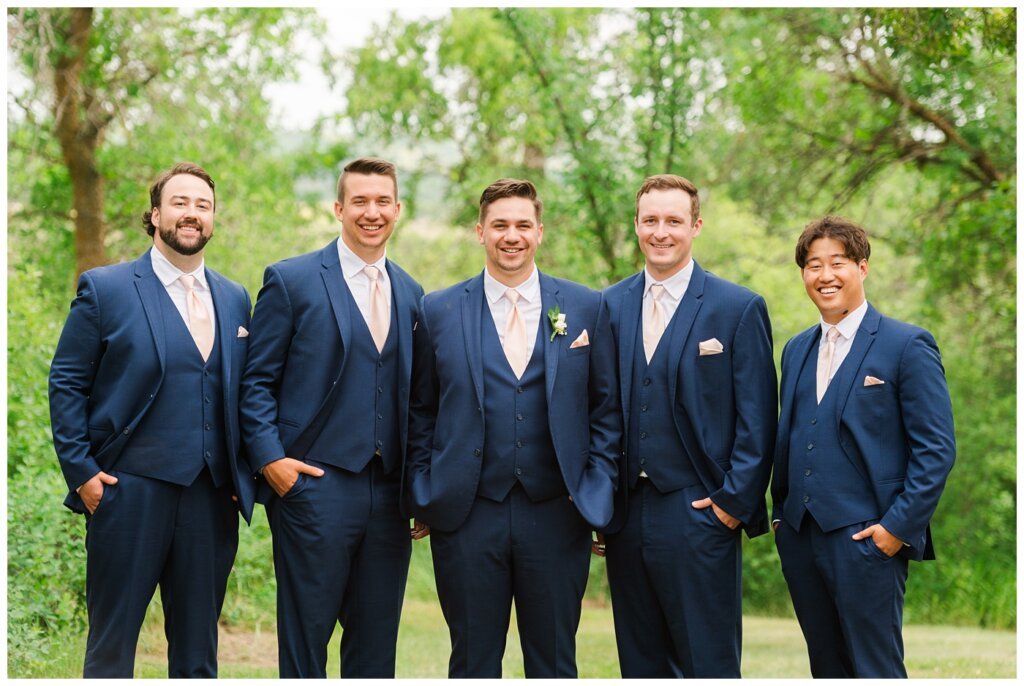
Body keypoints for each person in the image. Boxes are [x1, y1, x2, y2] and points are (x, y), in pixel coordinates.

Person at [406, 178, 621, 677]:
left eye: (523, 225)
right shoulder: (437, 310)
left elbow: (605, 409)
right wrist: (423, 488)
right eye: (499, 225)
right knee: (473, 661)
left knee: (553, 663)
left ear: (540, 232)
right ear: (479, 232)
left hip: (556, 515)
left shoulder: (586, 306)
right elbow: (421, 409)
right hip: (466, 515)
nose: (511, 236)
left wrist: (597, 490)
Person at [48, 162, 254, 677]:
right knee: (112, 648)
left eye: (202, 205)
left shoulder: (235, 298)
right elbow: (67, 382)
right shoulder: (106, 288)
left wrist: (243, 472)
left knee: (197, 653)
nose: (192, 214)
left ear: (213, 218)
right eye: (180, 202)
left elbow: (248, 391)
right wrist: (83, 474)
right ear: (156, 213)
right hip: (126, 491)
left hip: (210, 499)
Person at [239, 157, 424, 678]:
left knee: (374, 649)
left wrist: (421, 485)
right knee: (305, 644)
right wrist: (273, 462)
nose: (372, 212)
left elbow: (417, 400)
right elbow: (255, 383)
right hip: (312, 487)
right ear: (338, 208)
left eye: (382, 201)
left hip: (389, 498)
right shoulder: (291, 280)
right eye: (360, 201)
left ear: (398, 209)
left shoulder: (412, 293)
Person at [600, 174, 777, 677]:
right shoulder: (609, 305)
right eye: (651, 220)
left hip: (700, 511)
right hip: (626, 516)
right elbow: (601, 410)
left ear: (695, 226)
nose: (662, 231)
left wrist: (730, 505)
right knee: (640, 662)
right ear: (636, 225)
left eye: (674, 221)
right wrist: (598, 500)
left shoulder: (737, 307)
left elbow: (758, 419)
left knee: (708, 661)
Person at [771, 216, 955, 677]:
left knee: (876, 669)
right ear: (803, 275)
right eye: (814, 265)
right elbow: (791, 433)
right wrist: (781, 519)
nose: (825, 275)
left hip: (868, 540)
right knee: (826, 668)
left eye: (838, 263)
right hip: (800, 537)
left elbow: (936, 449)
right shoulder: (796, 349)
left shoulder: (906, 344)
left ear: (863, 268)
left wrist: (896, 529)